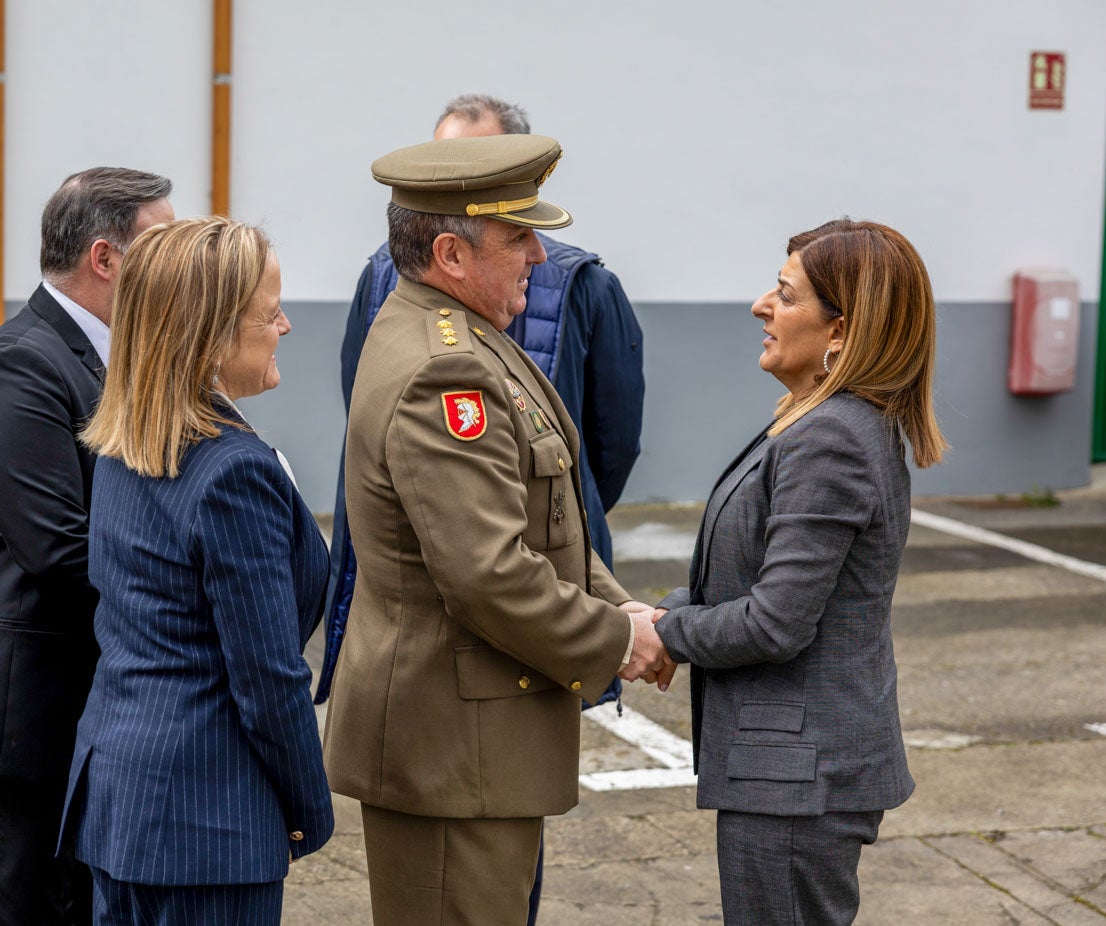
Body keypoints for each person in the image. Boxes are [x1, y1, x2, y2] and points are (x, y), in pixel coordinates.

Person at [321, 133, 665, 926]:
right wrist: (618, 641)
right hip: (451, 748)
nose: (539, 256)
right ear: (449, 252)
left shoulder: (463, 336)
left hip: (468, 743)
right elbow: (488, 573)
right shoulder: (447, 366)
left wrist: (620, 608)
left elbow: (549, 521)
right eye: (517, 237)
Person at [642, 219, 948, 924]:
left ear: (839, 332)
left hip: (797, 779)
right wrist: (664, 613)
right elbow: (748, 575)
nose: (760, 305)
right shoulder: (815, 421)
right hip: (790, 775)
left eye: (784, 294)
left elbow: (775, 621)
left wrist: (667, 633)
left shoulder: (831, 438)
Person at [316, 94, 644, 708]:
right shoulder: (387, 282)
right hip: (455, 675)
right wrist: (621, 635)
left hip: (546, 602)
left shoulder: (584, 285)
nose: (450, 180)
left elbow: (610, 443)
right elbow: (372, 422)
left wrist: (562, 534)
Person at [0, 167, 174, 925]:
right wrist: (191, 580)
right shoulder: (20, 363)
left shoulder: (107, 352)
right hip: (14, 717)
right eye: (160, 245)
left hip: (76, 705)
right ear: (105, 258)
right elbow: (58, 548)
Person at [59, 217, 334, 925]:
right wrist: (307, 811)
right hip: (203, 818)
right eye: (269, 312)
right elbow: (268, 676)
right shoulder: (230, 470)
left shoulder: (128, 441)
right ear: (210, 333)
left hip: (121, 795)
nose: (286, 325)